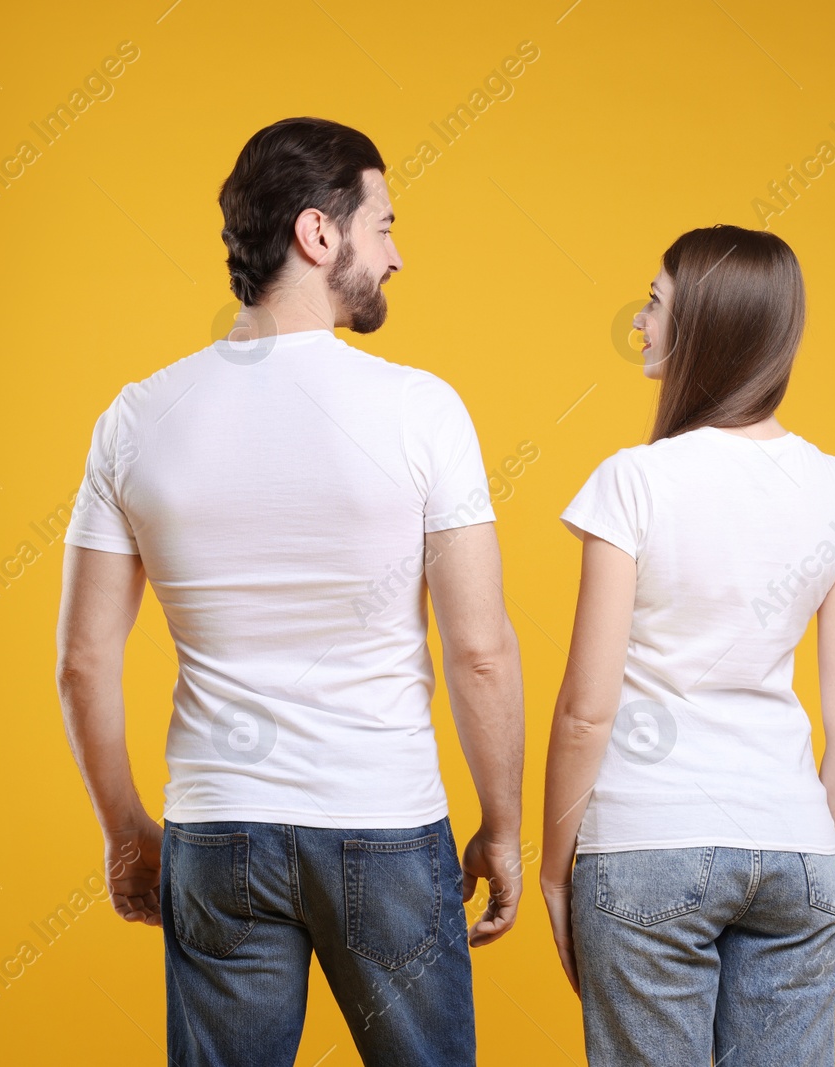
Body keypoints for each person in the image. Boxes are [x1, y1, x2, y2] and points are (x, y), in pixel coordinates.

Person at [55, 117, 524, 1067]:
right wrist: (505, 824)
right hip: (383, 822)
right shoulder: (421, 409)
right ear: (319, 234)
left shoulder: (138, 418)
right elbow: (478, 649)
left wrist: (125, 833)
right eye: (383, 226)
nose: (397, 254)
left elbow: (82, 662)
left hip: (217, 828)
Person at [539, 224, 835, 1066]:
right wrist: (809, 852)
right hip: (797, 845)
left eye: (653, 303)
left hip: (648, 842)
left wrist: (555, 868)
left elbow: (588, 708)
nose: (639, 323)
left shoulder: (636, 480)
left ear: (705, 325)